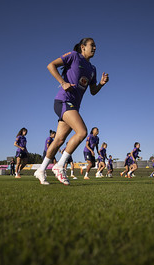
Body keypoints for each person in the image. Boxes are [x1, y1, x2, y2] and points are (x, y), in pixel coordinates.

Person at [33, 38, 109, 185]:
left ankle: (41, 170)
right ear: (82, 47)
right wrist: (63, 83)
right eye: (92, 45)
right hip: (63, 101)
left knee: (59, 140)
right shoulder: (74, 55)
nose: (94, 48)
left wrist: (101, 84)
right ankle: (59, 166)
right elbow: (51, 65)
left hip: (73, 106)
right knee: (82, 132)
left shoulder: (93, 69)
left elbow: (93, 91)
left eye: (95, 46)